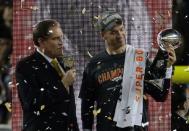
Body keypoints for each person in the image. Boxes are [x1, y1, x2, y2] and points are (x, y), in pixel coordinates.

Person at [79, 11, 176, 131]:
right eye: (113, 32)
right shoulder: (94, 65)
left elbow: (160, 95)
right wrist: (86, 129)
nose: (120, 35)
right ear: (103, 35)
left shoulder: (139, 59)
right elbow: (87, 104)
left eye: (121, 29)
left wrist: (168, 67)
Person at [16, 20, 79, 131]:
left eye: (61, 37)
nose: (61, 42)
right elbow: (32, 103)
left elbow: (70, 104)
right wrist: (63, 84)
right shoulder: (25, 66)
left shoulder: (67, 60)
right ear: (41, 41)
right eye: (55, 38)